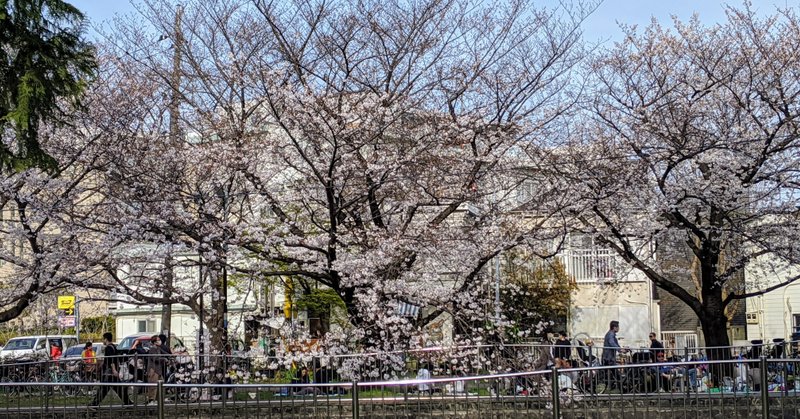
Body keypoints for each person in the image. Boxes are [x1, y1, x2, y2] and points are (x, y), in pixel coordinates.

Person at [89, 332, 131, 407]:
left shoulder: (108, 348)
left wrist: (114, 370)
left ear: (106, 339)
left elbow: (111, 360)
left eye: (103, 339)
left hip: (109, 372)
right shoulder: (114, 347)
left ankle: (94, 404)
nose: (103, 341)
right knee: (119, 389)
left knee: (104, 389)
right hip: (112, 372)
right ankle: (128, 403)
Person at [146, 335, 169, 405]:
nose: (160, 341)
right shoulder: (153, 349)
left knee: (161, 385)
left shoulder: (158, 348)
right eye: (158, 340)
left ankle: (158, 399)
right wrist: (164, 359)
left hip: (158, 369)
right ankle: (151, 400)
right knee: (153, 386)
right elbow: (155, 358)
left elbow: (166, 353)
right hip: (153, 369)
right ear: (155, 342)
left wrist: (173, 355)